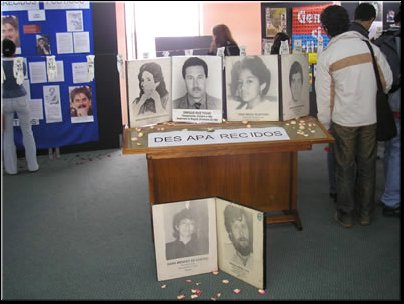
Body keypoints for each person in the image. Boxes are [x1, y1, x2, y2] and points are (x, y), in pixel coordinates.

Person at [316, 5, 392, 228]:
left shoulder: (328, 55)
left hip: (343, 122)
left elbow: (324, 99)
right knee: (368, 167)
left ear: (325, 28)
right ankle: (366, 214)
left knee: (345, 168)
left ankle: (346, 215)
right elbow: (386, 82)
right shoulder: (369, 47)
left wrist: (324, 125)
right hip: (369, 118)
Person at [374, 6, 401, 218]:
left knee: (393, 149)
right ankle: (391, 198)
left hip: (392, 103)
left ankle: (391, 198)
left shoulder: (384, 43)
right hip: (395, 102)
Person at [2, 39, 39, 175]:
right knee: (27, 132)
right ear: (14, 50)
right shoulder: (20, 63)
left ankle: (11, 169)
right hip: (21, 98)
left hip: (4, 101)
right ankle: (33, 165)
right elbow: (21, 77)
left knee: (7, 135)